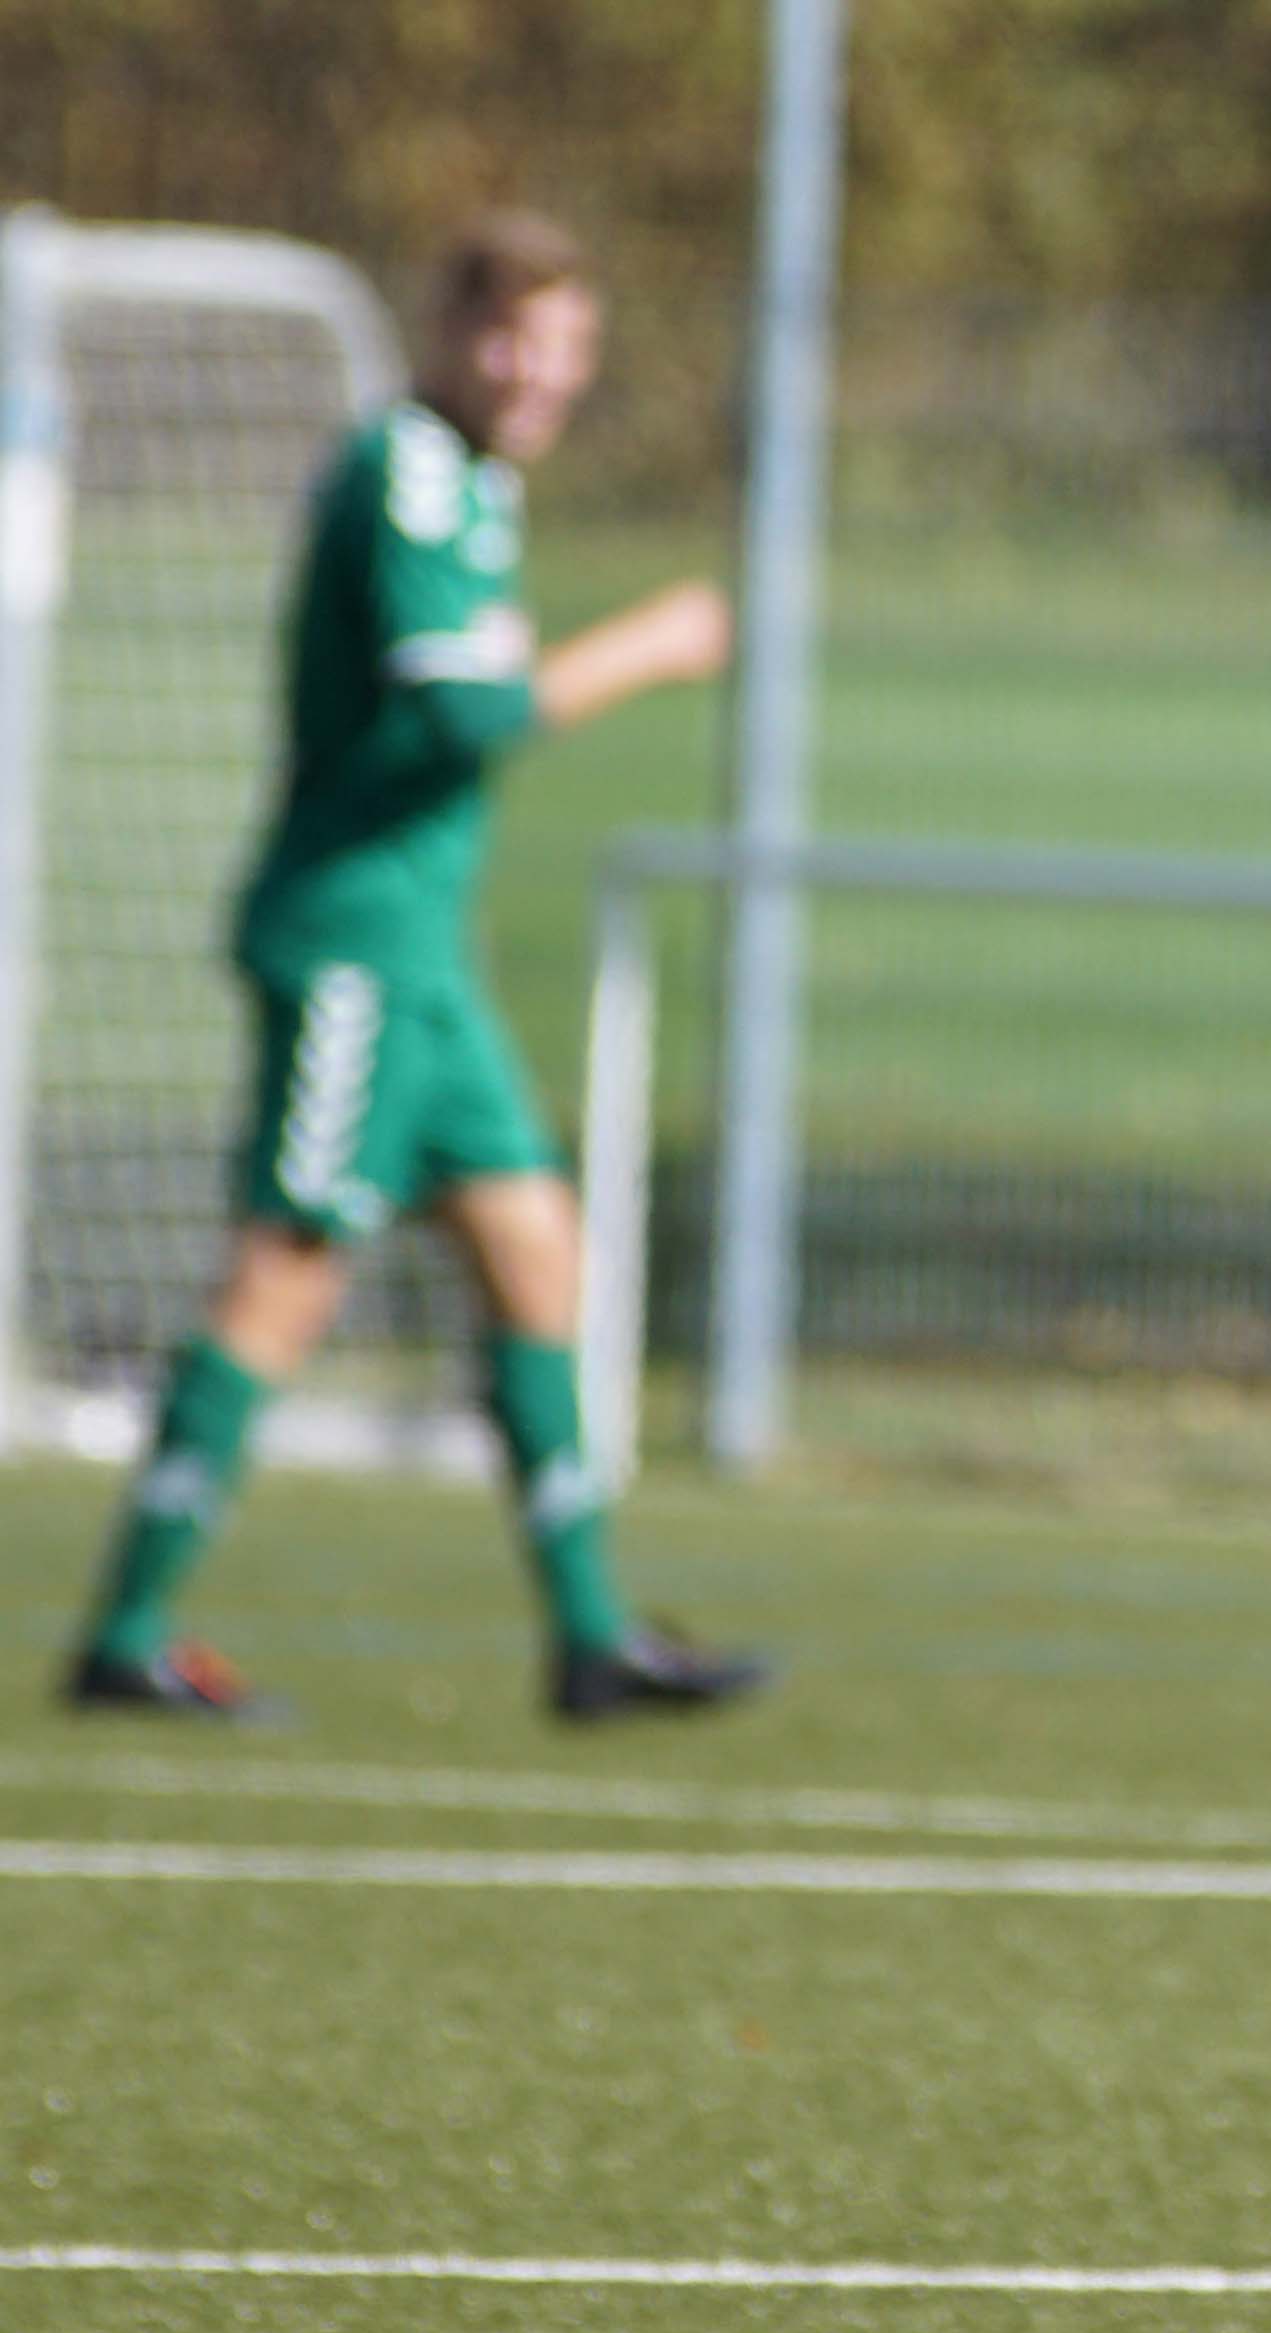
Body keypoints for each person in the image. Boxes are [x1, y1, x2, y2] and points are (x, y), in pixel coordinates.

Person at [59, 211, 762, 1724]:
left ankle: (590, 1636)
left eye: (567, 345)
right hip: (352, 950)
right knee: (290, 1273)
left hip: (419, 964)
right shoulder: (412, 472)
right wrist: (651, 645)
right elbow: (461, 719)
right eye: (514, 339)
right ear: (450, 335)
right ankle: (127, 1630)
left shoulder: (475, 484)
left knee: (535, 1247)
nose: (541, 373)